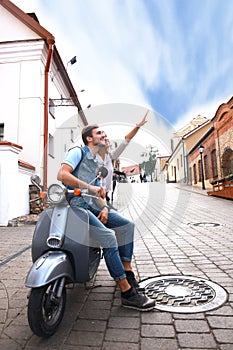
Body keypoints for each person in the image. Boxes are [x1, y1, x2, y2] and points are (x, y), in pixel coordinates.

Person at [57, 124, 155, 311]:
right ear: (89, 139)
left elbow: (101, 193)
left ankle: (128, 272)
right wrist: (88, 187)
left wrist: (105, 209)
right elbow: (62, 174)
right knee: (109, 238)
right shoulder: (77, 152)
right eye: (99, 133)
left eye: (103, 132)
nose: (104, 135)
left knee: (127, 226)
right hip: (76, 207)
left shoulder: (98, 163)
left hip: (94, 206)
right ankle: (127, 292)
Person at [98, 110, 149, 202]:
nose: (106, 139)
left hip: (105, 197)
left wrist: (138, 126)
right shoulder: (93, 158)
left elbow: (127, 140)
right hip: (96, 197)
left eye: (106, 137)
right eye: (103, 138)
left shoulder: (110, 156)